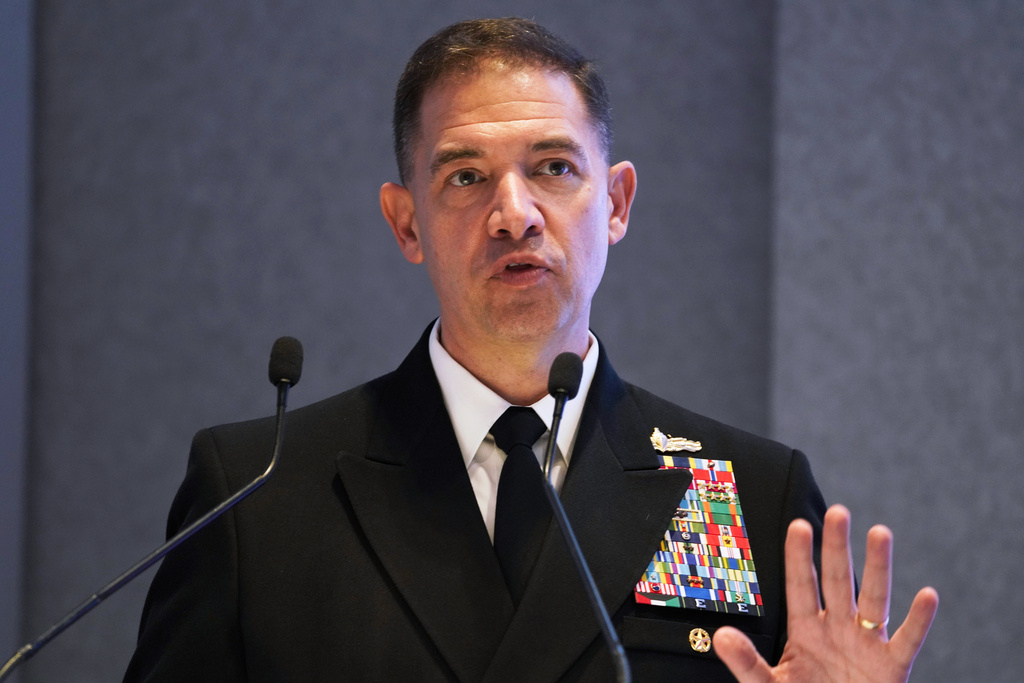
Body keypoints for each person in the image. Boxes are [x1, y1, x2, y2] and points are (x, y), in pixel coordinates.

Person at [124, 18, 938, 682]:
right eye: (466, 177)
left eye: (552, 167)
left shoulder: (751, 495)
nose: (515, 214)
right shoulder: (257, 498)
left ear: (615, 202)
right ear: (406, 221)